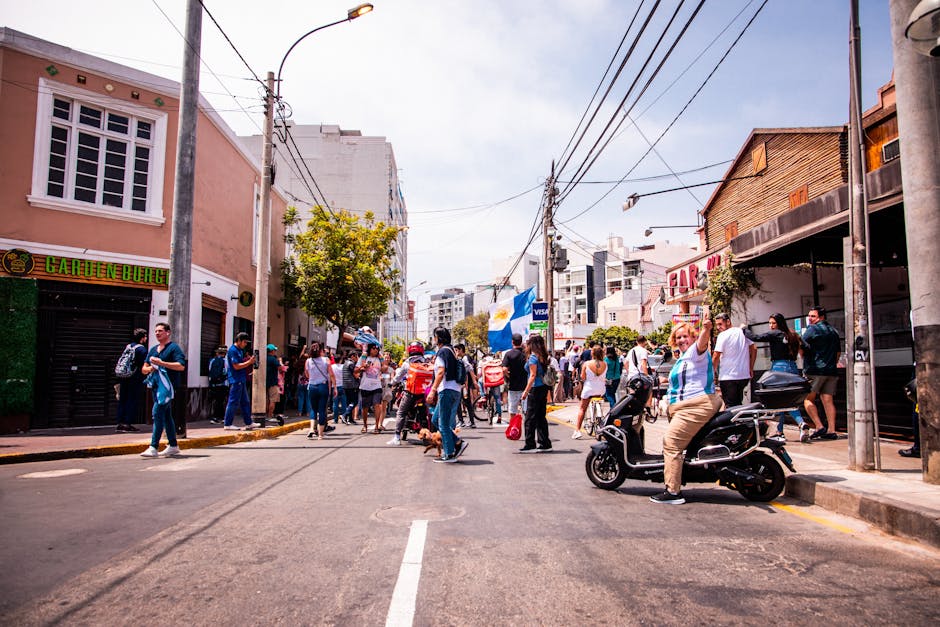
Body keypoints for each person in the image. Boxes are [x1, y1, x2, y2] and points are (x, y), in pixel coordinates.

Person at [651, 319, 722, 505]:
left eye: (686, 336)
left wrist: (706, 329)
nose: (682, 340)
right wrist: (660, 380)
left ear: (693, 337)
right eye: (679, 337)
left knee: (672, 442)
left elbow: (702, 343)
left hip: (696, 405)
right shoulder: (682, 358)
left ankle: (673, 492)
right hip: (685, 407)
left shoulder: (696, 352)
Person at [743, 313, 811, 442]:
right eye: (770, 323)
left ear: (779, 324)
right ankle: (797, 425)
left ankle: (781, 431)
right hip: (793, 367)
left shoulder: (775, 334)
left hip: (779, 368)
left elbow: (756, 337)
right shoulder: (792, 334)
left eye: (773, 323)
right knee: (789, 400)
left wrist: (743, 329)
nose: (771, 326)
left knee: (778, 401)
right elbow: (807, 347)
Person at [140, 322, 187, 458]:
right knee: (166, 417)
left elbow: (180, 366)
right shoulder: (153, 349)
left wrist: (162, 364)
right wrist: (151, 368)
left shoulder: (174, 348)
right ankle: (173, 445)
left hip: (167, 388)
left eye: (160, 331)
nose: (157, 333)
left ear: (168, 332)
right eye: (155, 331)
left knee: (157, 413)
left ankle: (153, 446)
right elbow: (144, 368)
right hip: (155, 387)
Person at [426, 326, 469, 463]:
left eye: (434, 336)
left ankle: (449, 453)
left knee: (443, 423)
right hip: (455, 389)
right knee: (436, 419)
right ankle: (457, 442)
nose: (433, 339)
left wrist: (433, 390)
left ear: (438, 338)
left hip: (447, 389)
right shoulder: (451, 350)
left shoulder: (442, 351)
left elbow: (440, 372)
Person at [801, 306, 841, 440]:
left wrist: (803, 357)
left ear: (821, 317)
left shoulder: (812, 329)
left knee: (807, 399)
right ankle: (831, 430)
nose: (810, 319)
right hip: (831, 370)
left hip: (814, 370)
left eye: (813, 316)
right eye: (809, 316)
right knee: (828, 400)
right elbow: (838, 353)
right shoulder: (834, 331)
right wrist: (832, 363)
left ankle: (819, 426)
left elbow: (801, 344)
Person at [387, 341, 429, 446]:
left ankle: (396, 437)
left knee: (401, 412)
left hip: (410, 392)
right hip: (424, 393)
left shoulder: (407, 363)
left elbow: (398, 377)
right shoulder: (426, 361)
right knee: (426, 414)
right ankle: (428, 436)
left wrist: (391, 383)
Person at [713, 313, 756, 408]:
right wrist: (751, 368)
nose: (718, 327)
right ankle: (742, 421)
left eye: (720, 324)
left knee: (730, 407)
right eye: (717, 324)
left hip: (728, 377)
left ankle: (739, 422)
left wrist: (711, 373)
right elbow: (754, 348)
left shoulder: (723, 335)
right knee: (738, 404)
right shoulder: (742, 332)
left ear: (728, 321)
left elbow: (716, 355)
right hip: (743, 376)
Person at [519, 333, 552, 452]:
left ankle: (530, 443)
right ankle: (544, 442)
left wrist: (525, 392)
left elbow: (532, 375)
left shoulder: (533, 357)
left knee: (530, 418)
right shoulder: (543, 356)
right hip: (543, 387)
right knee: (540, 416)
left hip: (535, 388)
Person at [222, 332, 261, 431]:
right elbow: (236, 366)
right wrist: (249, 362)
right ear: (238, 341)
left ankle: (249, 422)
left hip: (241, 378)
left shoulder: (240, 350)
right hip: (236, 379)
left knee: (245, 402)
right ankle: (228, 423)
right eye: (244, 342)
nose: (245, 344)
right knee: (233, 401)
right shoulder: (233, 350)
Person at [116, 328, 148, 432]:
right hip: (134, 377)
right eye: (145, 337)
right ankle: (127, 423)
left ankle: (120, 423)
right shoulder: (142, 349)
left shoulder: (128, 346)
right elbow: (143, 364)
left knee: (123, 399)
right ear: (142, 338)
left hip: (123, 376)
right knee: (132, 400)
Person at [573, 345, 607, 439]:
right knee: (598, 402)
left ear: (592, 353)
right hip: (600, 389)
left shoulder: (587, 364)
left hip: (589, 388)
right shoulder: (605, 364)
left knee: (582, 409)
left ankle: (577, 431)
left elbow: (583, 377)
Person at [306, 342, 335, 440]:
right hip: (323, 386)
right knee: (322, 410)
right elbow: (331, 374)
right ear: (320, 351)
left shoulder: (308, 361)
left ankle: (311, 429)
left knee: (313, 409)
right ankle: (320, 434)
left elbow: (307, 374)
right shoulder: (326, 360)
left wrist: (313, 379)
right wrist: (334, 387)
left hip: (312, 386)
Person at [356, 343, 387, 433]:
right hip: (365, 386)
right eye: (373, 348)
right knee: (365, 408)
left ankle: (376, 427)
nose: (376, 350)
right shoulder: (364, 358)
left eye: (377, 348)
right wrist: (363, 367)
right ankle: (365, 425)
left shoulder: (379, 358)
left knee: (377, 405)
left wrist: (383, 362)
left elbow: (384, 369)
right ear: (369, 349)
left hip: (377, 385)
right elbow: (356, 370)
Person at [502, 333, 528, 417]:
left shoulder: (508, 354)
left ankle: (514, 428)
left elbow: (504, 369)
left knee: (512, 410)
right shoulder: (526, 354)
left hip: (513, 386)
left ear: (512, 342)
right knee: (526, 410)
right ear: (521, 342)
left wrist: (509, 376)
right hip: (525, 386)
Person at [455, 343, 479, 428]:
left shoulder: (464, 359)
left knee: (462, 402)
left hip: (464, 385)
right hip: (464, 385)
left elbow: (470, 370)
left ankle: (464, 421)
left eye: (457, 350)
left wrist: (473, 382)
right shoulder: (464, 358)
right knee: (465, 402)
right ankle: (469, 421)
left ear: (461, 350)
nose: (456, 352)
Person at [207, 346, 228, 424]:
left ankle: (216, 417)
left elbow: (210, 371)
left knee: (216, 401)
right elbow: (226, 371)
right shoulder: (226, 361)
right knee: (222, 401)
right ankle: (221, 417)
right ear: (225, 353)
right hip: (223, 384)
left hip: (214, 384)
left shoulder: (212, 361)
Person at [342, 349, 360, 424]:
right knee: (354, 401)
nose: (357, 358)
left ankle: (350, 419)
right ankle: (345, 415)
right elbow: (355, 374)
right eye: (356, 357)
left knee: (349, 402)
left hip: (346, 385)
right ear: (352, 356)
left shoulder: (345, 363)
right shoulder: (351, 364)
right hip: (352, 385)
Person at [265, 344, 282, 424]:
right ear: (271, 351)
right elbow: (280, 368)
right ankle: (270, 416)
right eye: (274, 350)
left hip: (265, 382)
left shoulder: (264, 358)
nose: (275, 352)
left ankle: (264, 415)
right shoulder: (273, 359)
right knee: (273, 400)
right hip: (273, 382)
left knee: (266, 400)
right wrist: (280, 362)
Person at [331, 353, 347, 425]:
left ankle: (335, 419)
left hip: (334, 386)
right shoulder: (343, 367)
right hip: (343, 386)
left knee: (335, 404)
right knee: (344, 403)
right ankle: (344, 417)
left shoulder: (332, 367)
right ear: (341, 360)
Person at [295, 345, 310, 417]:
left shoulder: (299, 364)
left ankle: (300, 412)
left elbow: (300, 357)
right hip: (308, 383)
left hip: (300, 383)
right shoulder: (309, 364)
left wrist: (303, 348)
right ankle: (308, 412)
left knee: (301, 398)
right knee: (308, 398)